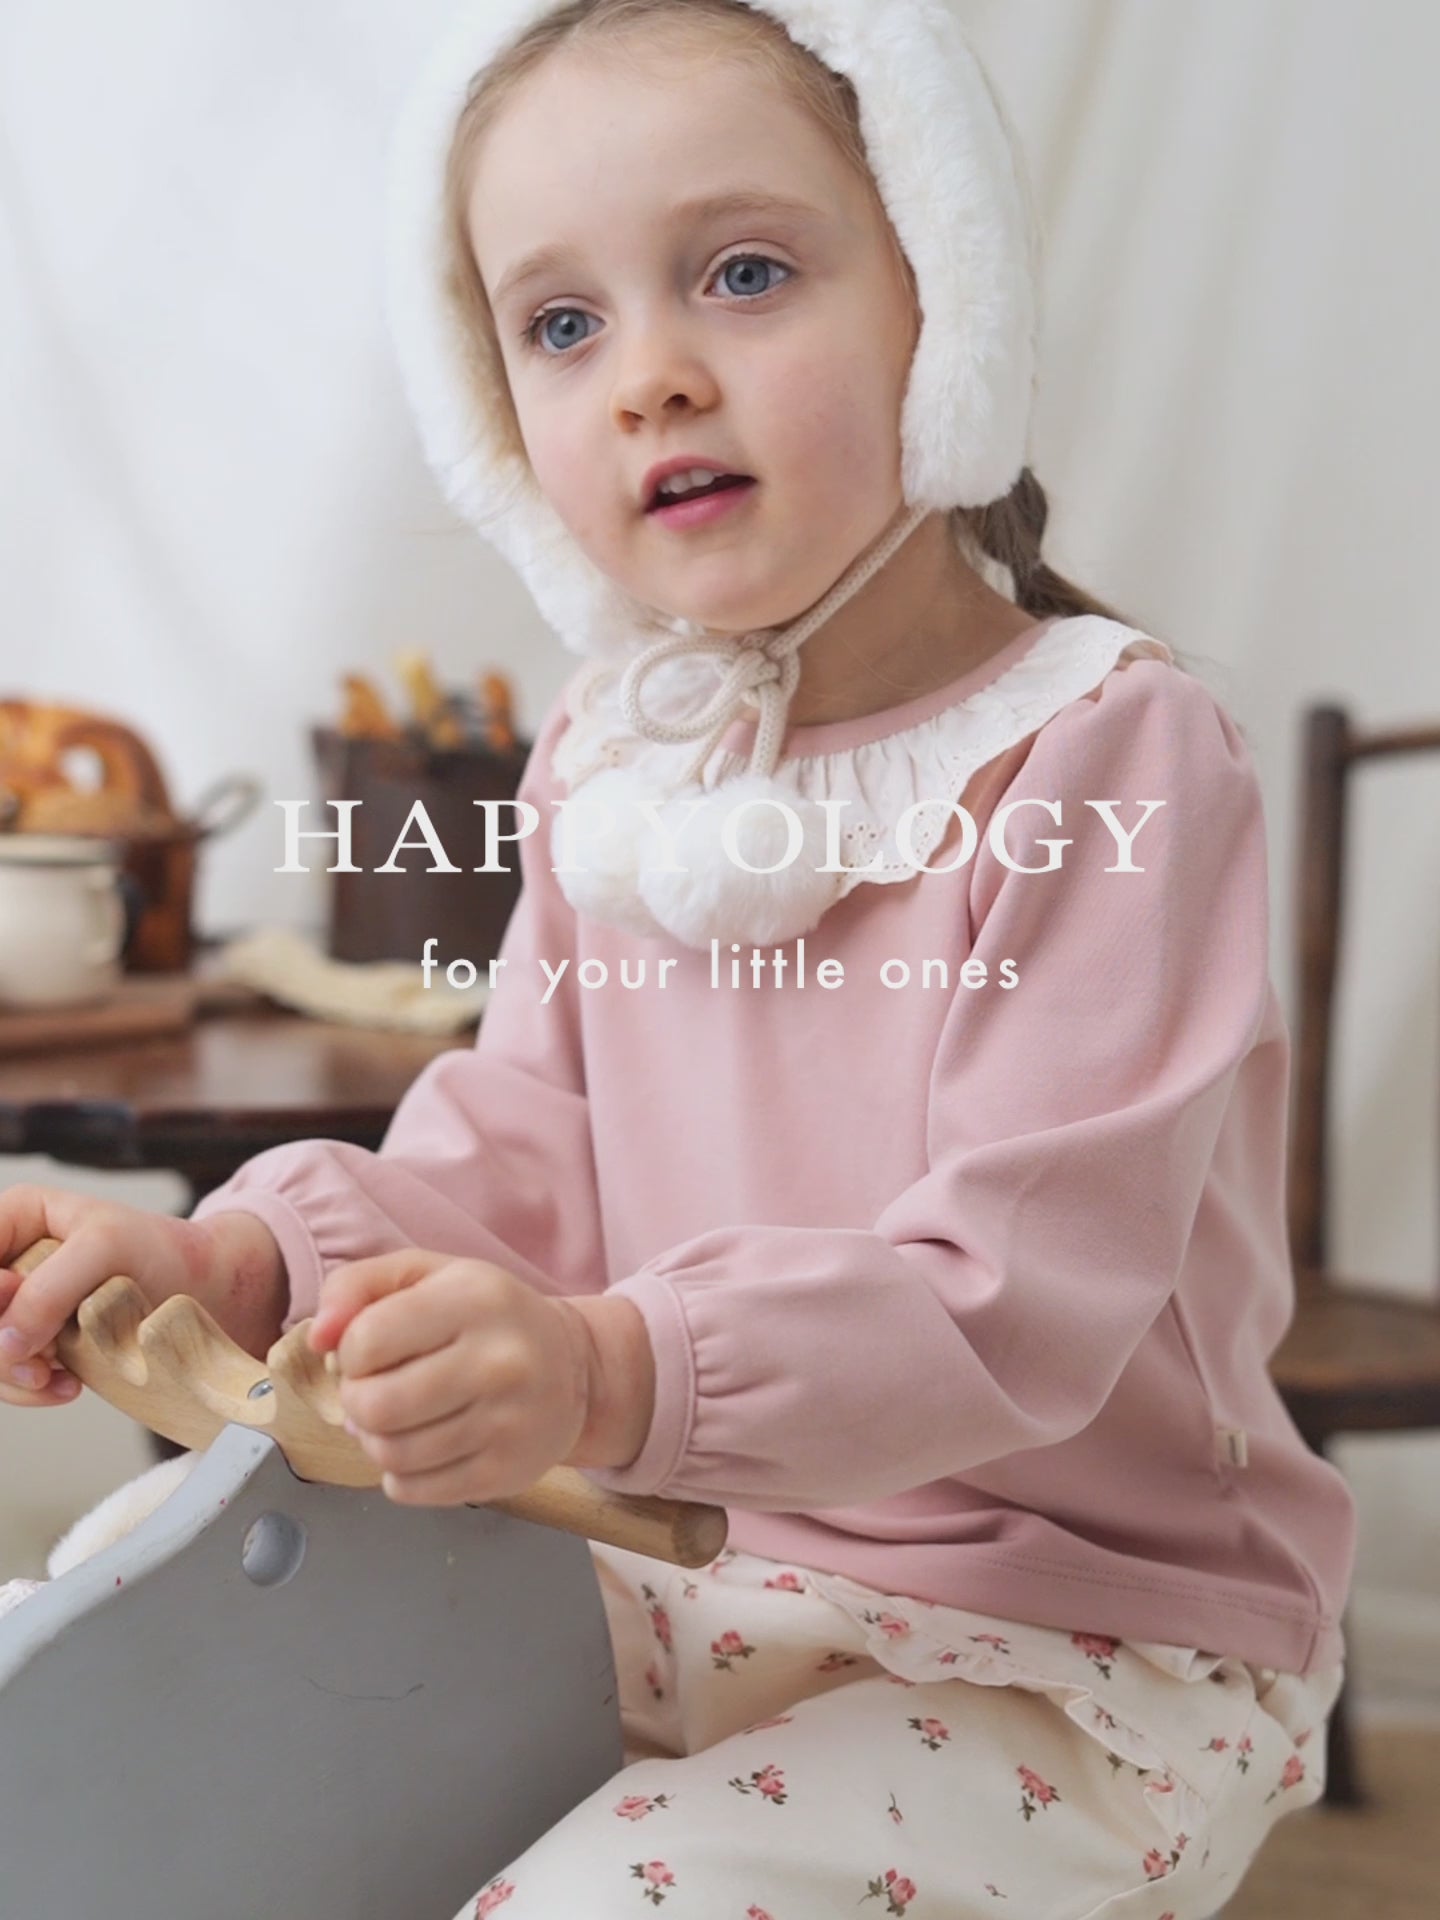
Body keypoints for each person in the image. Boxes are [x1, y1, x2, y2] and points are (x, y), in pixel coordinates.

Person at [0, 2, 1355, 1912]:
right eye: (563, 324)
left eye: (743, 274)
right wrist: (238, 1270)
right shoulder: (609, 762)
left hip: (1071, 1638)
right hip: (690, 1561)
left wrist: (601, 1364)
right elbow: (520, 1154)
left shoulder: (1112, 755)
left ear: (942, 294)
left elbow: (1017, 1299)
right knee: (128, 1627)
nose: (651, 377)